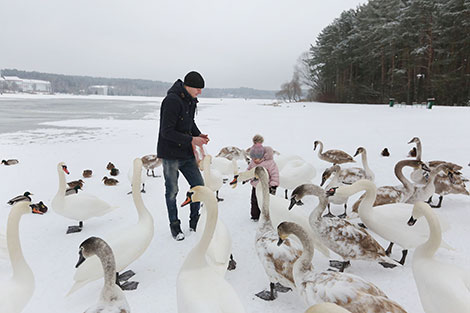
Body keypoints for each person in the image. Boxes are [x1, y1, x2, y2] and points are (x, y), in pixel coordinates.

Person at [157, 71, 209, 241]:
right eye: (198, 88)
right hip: (170, 154)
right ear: (188, 86)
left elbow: (189, 122)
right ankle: (175, 225)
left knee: (199, 187)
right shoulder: (171, 101)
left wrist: (198, 135)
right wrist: (192, 139)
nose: (200, 92)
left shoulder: (191, 100)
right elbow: (167, 132)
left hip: (186, 153)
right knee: (172, 191)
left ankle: (195, 221)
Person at [246, 140, 279, 221]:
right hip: (256, 186)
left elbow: (275, 174)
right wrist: (246, 177)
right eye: (253, 158)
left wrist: (274, 185)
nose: (255, 160)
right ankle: (255, 216)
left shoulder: (270, 163)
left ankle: (267, 216)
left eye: (256, 158)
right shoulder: (253, 163)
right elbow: (249, 171)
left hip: (267, 187)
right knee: (254, 201)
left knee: (266, 202)